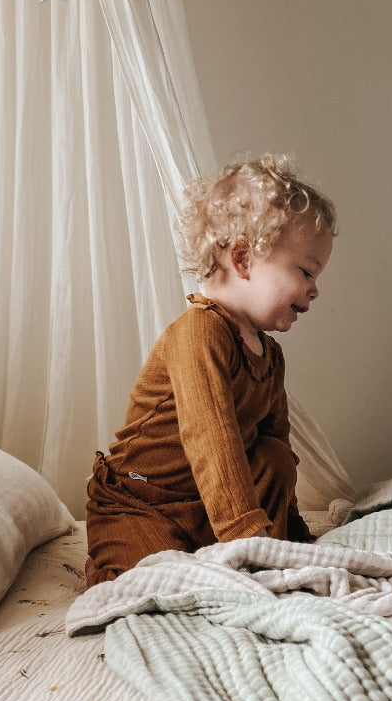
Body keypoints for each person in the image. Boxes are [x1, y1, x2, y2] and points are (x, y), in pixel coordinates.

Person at [84, 153, 337, 588]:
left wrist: (292, 537)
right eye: (306, 271)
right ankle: (105, 567)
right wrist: (247, 541)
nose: (315, 290)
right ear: (242, 259)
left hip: (206, 503)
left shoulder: (270, 356)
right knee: (154, 583)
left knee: (274, 456)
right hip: (143, 501)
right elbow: (211, 439)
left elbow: (275, 454)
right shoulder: (199, 333)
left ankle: (244, 549)